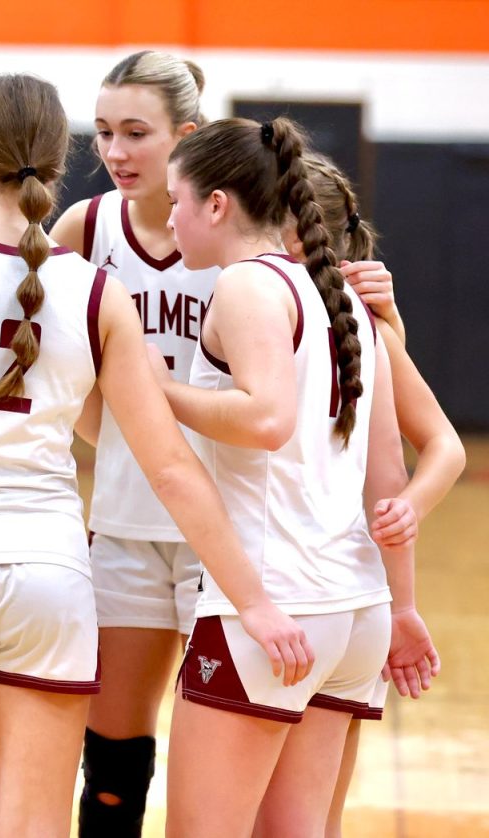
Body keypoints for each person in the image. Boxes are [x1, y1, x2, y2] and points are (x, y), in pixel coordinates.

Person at [0, 73, 310, 838]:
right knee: (39, 824)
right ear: (59, 168)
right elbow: (170, 466)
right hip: (51, 576)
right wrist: (253, 597)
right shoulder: (94, 290)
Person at [158, 116, 438, 836]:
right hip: (353, 610)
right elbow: (387, 467)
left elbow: (264, 419)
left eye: (176, 199)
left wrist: (144, 385)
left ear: (217, 205)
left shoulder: (248, 284)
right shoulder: (342, 300)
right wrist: (401, 604)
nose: (170, 218)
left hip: (277, 603)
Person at [49, 50, 214, 835]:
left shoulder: (246, 230)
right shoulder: (85, 229)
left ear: (186, 134)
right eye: (104, 133)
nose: (115, 152)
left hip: (230, 529)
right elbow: (42, 361)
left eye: (137, 133)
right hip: (124, 524)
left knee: (217, 771)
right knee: (111, 765)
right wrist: (112, 435)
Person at [288, 154, 465, 837]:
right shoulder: (334, 316)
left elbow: (413, 455)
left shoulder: (353, 321)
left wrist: (410, 512)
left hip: (311, 591)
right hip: (343, 597)